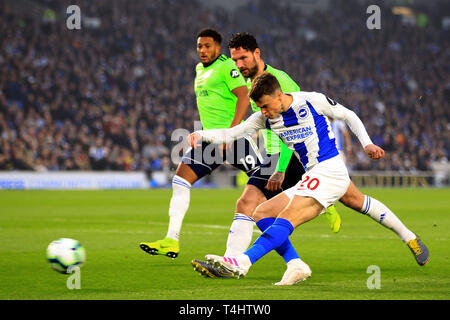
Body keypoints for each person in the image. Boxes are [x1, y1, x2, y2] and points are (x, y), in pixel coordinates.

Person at [189, 72, 429, 283]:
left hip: (330, 169)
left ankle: (241, 263)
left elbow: (348, 115)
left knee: (288, 217)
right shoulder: (264, 119)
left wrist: (367, 144)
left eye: (265, 105)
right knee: (263, 212)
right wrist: (201, 133)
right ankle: (296, 264)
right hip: (314, 174)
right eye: (259, 107)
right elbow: (233, 133)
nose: (263, 112)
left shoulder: (311, 100)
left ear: (279, 95)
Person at [191, 33, 341, 283]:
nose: (238, 65)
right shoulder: (254, 84)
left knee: (252, 205)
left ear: (257, 54)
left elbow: (296, 128)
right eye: (235, 59)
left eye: (243, 58)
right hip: (272, 156)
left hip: (290, 156)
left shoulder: (279, 81)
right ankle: (291, 262)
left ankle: (236, 262)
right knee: (252, 207)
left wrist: (280, 167)